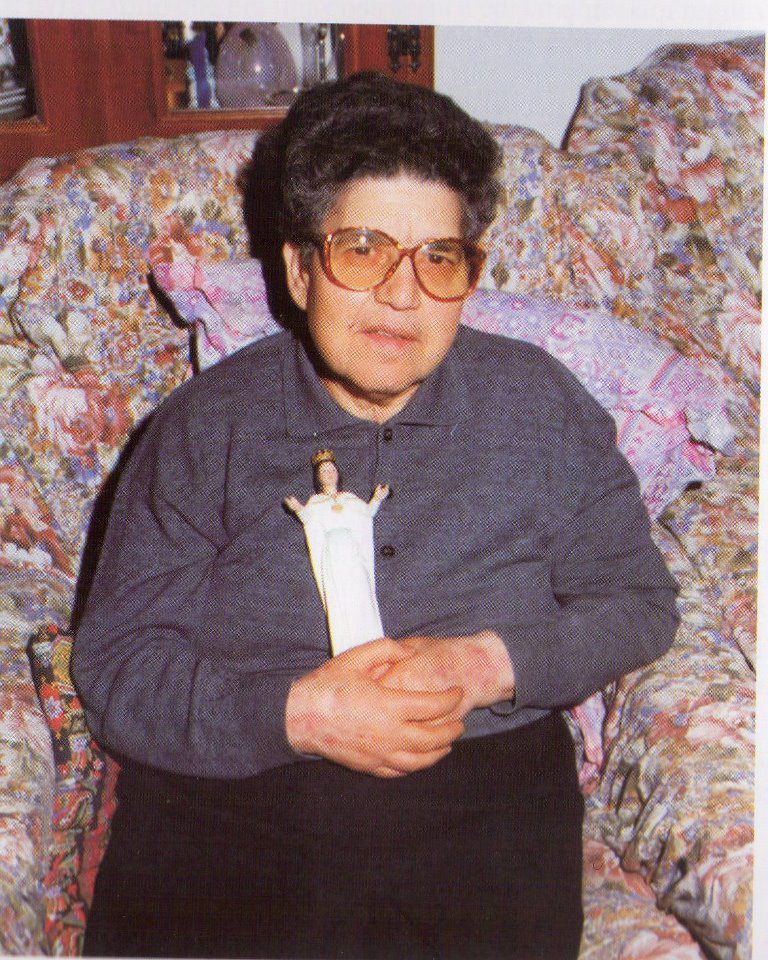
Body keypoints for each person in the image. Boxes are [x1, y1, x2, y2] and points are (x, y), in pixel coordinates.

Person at [73, 71, 679, 960]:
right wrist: (300, 713)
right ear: (299, 269)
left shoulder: (540, 406)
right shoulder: (205, 429)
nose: (403, 296)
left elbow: (639, 603)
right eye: (363, 250)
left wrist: (484, 665)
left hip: (483, 793)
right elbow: (117, 666)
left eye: (439, 258)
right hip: (239, 788)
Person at [284, 448, 390, 655]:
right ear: (318, 477)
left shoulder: (349, 498)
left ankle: (372, 643)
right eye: (324, 471)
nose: (329, 474)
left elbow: (367, 514)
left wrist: (377, 498)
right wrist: (298, 508)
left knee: (360, 595)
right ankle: (346, 649)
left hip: (352, 555)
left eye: (332, 470)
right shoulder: (316, 502)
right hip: (333, 558)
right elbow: (308, 519)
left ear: (338, 473)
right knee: (340, 599)